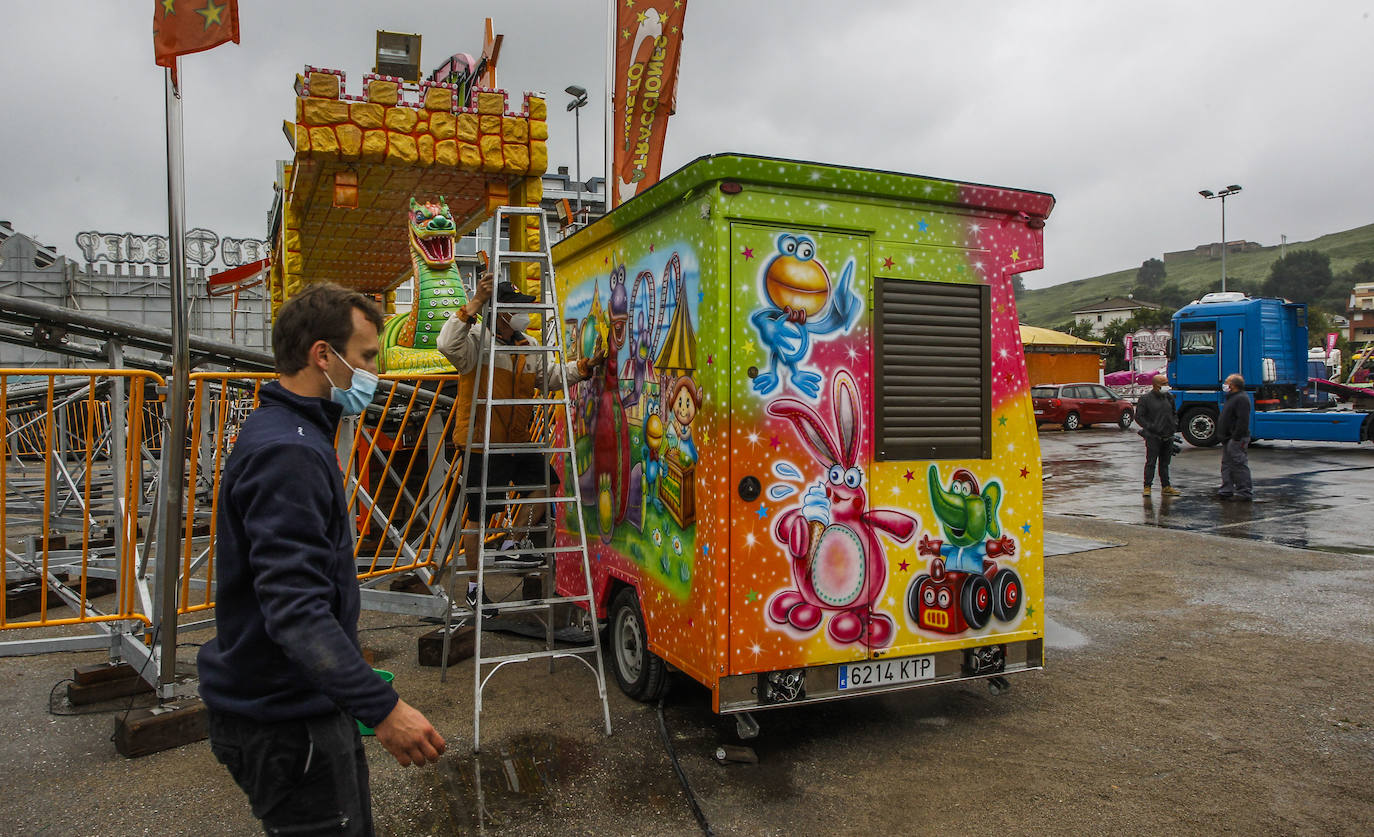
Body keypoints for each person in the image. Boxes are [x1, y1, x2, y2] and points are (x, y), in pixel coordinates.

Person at [198, 283, 446, 836]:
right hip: (287, 723)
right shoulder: (290, 452)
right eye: (365, 358)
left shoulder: (294, 433)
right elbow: (294, 607)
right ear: (322, 356)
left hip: (299, 706)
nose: (373, 374)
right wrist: (381, 707)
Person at [437, 273, 604, 609]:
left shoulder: (528, 345)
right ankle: (473, 586)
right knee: (479, 516)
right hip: (482, 442)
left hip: (516, 439)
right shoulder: (475, 341)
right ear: (499, 312)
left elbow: (550, 378)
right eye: (517, 308)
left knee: (546, 480)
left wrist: (584, 367)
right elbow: (445, 344)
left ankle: (512, 542)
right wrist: (474, 304)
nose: (524, 314)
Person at [1135, 374, 1179, 496]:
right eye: (1164, 384)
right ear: (1156, 385)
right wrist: (1151, 427)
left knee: (1165, 464)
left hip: (1168, 436)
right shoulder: (1145, 399)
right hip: (1153, 437)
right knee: (1151, 462)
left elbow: (1174, 413)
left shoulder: (1169, 397)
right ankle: (1147, 487)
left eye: (1166, 383)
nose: (1166, 386)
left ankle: (1166, 486)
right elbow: (1139, 417)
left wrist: (1174, 425)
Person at [1217, 373, 1254, 501]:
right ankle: (1226, 490)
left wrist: (1236, 437)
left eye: (1227, 382)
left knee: (1239, 464)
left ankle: (1244, 492)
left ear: (1233, 386)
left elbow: (1242, 420)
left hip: (1236, 439)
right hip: (1228, 438)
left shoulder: (1241, 398)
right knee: (1227, 464)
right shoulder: (1232, 397)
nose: (1225, 385)